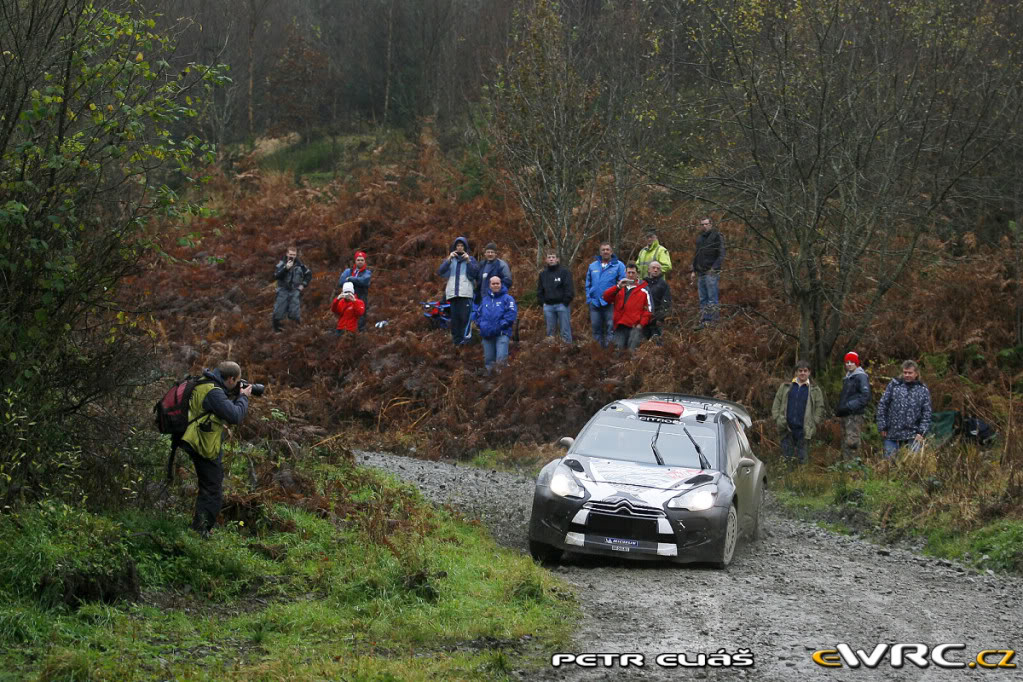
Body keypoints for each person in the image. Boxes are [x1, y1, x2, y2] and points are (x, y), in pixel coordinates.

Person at [177, 361, 251, 537]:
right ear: (231, 379)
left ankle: (200, 527)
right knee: (212, 489)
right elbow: (235, 416)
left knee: (208, 486)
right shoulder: (214, 392)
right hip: (202, 444)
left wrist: (233, 394)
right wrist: (244, 397)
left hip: (194, 439)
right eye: (237, 381)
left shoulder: (204, 382)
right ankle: (201, 531)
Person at [771, 360, 825, 465]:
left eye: (805, 371)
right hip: (786, 428)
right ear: (796, 372)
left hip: (804, 430)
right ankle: (787, 480)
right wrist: (778, 418)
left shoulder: (814, 389)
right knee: (787, 459)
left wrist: (814, 423)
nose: (802, 373)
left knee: (803, 459)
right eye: (800, 371)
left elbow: (820, 407)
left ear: (809, 372)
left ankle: (802, 479)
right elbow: (777, 402)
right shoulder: (786, 386)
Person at [876, 360, 933, 459]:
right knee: (889, 466)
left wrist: (922, 432)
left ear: (916, 373)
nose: (907, 375)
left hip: (913, 435)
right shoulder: (894, 385)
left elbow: (927, 413)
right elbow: (882, 405)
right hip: (892, 434)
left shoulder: (922, 390)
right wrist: (882, 426)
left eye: (910, 373)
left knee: (912, 466)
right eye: (905, 372)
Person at [437, 236, 479, 345]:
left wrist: (468, 261)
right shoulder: (450, 260)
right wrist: (448, 260)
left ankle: (466, 343)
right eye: (458, 246)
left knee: (465, 320)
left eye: (462, 246)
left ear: (465, 247)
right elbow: (440, 272)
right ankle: (456, 343)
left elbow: (475, 273)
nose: (460, 248)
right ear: (454, 247)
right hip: (453, 295)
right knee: (455, 321)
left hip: (465, 294)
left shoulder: (471, 259)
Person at [602, 262, 652, 351]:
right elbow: (606, 297)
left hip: (635, 326)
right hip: (620, 325)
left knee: (632, 352)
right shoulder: (620, 288)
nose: (631, 275)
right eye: (629, 272)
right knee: (617, 352)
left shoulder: (644, 289)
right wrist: (617, 287)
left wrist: (641, 324)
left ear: (637, 274)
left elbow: (649, 310)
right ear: (625, 273)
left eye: (633, 273)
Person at [585, 242, 626, 347]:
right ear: (600, 252)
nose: (605, 252)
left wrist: (618, 300)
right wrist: (589, 299)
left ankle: (609, 352)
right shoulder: (592, 266)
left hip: (611, 303)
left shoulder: (619, 265)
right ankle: (598, 353)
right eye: (603, 250)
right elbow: (588, 284)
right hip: (594, 303)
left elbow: (623, 284)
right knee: (596, 328)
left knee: (610, 328)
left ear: (611, 252)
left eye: (607, 249)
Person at [835, 351, 871, 460]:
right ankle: (846, 468)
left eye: (852, 362)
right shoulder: (848, 377)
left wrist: (850, 406)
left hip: (854, 415)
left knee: (852, 442)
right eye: (847, 362)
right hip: (846, 414)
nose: (849, 364)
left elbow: (865, 396)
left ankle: (854, 470)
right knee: (845, 441)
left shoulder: (860, 376)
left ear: (857, 363)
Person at [690, 217, 725, 328]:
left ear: (711, 224)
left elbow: (721, 253)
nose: (704, 226)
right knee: (703, 298)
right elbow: (697, 254)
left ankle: (714, 322)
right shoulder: (700, 238)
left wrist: (714, 268)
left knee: (712, 297)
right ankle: (705, 321)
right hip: (701, 272)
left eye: (706, 224)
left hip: (711, 272)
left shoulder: (717, 236)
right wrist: (694, 270)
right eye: (702, 224)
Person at [478, 276, 517, 373]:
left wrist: (503, 323)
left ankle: (501, 381)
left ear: (501, 284)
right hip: (487, 334)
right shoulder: (485, 300)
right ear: (489, 285)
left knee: (501, 361)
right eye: (493, 283)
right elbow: (478, 313)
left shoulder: (508, 299)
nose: (495, 285)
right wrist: (481, 324)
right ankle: (490, 382)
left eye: (497, 283)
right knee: (489, 360)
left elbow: (511, 313)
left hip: (502, 333)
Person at [536, 249, 574, 343]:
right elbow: (540, 290)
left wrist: (566, 301)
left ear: (557, 259)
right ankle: (551, 352)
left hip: (562, 305)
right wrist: (542, 303)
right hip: (548, 306)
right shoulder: (543, 274)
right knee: (550, 332)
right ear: (546, 260)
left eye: (553, 257)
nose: (551, 259)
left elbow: (569, 288)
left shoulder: (565, 272)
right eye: (549, 257)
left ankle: (567, 350)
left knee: (565, 331)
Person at [273, 246, 312, 332]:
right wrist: (286, 268)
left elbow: (309, 275)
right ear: (287, 254)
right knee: (278, 312)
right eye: (290, 254)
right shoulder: (281, 264)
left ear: (296, 255)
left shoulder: (301, 266)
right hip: (282, 290)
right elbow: (276, 276)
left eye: (294, 255)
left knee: (295, 314)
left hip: (295, 291)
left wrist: (303, 285)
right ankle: (277, 332)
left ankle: (294, 332)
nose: (292, 256)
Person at [337, 251, 371, 331]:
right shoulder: (348, 271)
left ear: (365, 261)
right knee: (346, 316)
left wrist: (350, 279)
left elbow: (364, 281)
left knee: (361, 317)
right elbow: (341, 282)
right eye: (358, 260)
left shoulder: (367, 273)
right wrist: (356, 281)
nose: (360, 262)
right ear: (355, 261)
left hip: (361, 298)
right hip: (347, 299)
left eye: (362, 260)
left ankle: (359, 334)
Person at [642, 261, 672, 344]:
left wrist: (660, 316)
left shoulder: (663, 284)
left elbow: (666, 302)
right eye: (653, 268)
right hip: (643, 318)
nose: (655, 270)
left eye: (658, 269)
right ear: (648, 270)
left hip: (657, 319)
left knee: (657, 343)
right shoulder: (643, 283)